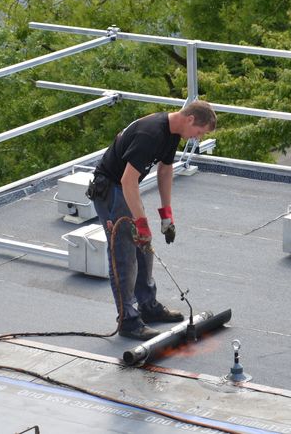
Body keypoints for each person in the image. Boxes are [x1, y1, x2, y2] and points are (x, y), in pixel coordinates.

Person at [86, 100, 217, 340]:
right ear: (190, 120)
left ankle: (147, 305)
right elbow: (127, 180)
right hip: (113, 191)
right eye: (198, 133)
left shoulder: (172, 132)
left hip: (125, 188)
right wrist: (142, 223)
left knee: (144, 249)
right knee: (124, 255)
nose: (196, 139)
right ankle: (128, 321)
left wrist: (166, 214)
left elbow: (165, 171)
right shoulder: (151, 133)